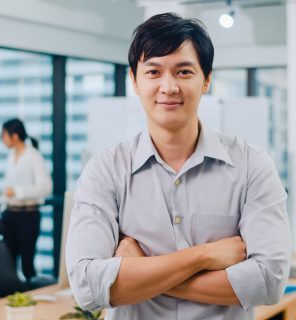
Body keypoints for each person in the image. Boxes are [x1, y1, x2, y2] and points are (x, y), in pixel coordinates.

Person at [66, 13, 291, 320]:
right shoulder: (105, 170)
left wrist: (140, 269)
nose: (168, 86)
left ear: (207, 80)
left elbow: (269, 282)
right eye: (153, 72)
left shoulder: (251, 165)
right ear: (134, 80)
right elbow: (87, 286)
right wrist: (204, 256)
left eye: (184, 72)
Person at [1, 118, 52, 282]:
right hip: (9, 214)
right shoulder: (10, 156)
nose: (3, 139)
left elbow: (45, 187)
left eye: (4, 135)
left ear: (15, 136)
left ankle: (28, 297)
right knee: (8, 259)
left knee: (27, 262)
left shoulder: (33, 156)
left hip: (27, 215)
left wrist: (17, 191)